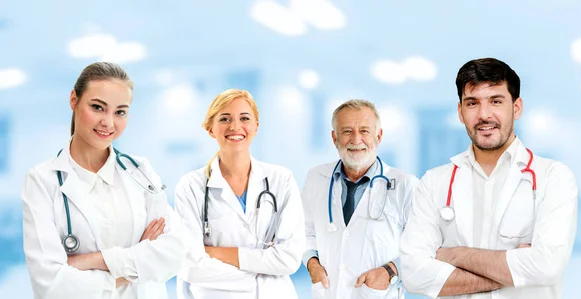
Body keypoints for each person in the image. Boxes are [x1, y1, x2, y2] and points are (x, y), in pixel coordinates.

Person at [399, 58, 578, 298]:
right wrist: (514, 272)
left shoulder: (554, 177)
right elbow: (413, 275)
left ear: (516, 108)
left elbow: (547, 266)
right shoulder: (434, 182)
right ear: (461, 112)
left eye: (496, 101)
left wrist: (455, 255)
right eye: (472, 103)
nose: (484, 115)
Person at [21, 62, 186, 299]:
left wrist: (91, 261)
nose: (109, 123)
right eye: (98, 107)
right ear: (73, 100)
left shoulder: (140, 171)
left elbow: (175, 253)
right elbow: (50, 285)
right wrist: (137, 261)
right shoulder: (41, 181)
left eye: (120, 112)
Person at [174, 88, 305, 299]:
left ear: (256, 127)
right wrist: (261, 272)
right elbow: (191, 266)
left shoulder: (281, 180)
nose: (235, 126)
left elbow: (289, 259)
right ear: (211, 129)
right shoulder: (191, 186)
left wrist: (214, 253)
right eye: (225, 119)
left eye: (244, 118)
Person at [302, 99, 418, 299]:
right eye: (347, 131)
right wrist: (311, 263)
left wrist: (390, 272)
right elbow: (303, 231)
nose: (356, 140)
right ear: (334, 138)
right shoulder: (316, 178)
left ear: (379, 136)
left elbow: (425, 246)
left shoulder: (405, 185)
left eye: (364, 131)